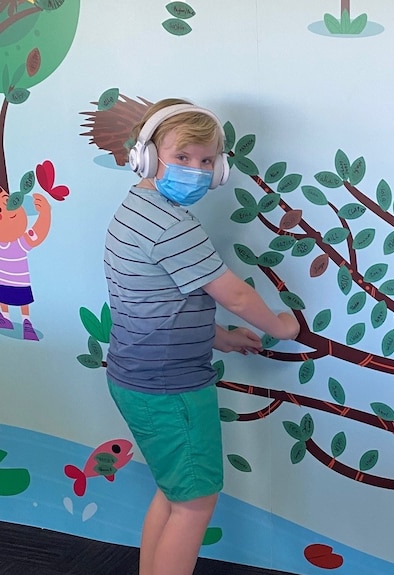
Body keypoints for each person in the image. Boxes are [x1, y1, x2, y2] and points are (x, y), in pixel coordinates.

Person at [103, 98, 300, 575]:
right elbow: (232, 292)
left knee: (174, 494)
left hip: (137, 377)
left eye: (207, 160)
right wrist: (280, 325)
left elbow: (155, 303)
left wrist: (219, 338)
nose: (197, 169)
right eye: (183, 157)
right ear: (147, 157)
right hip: (170, 387)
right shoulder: (172, 225)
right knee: (195, 504)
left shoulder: (137, 209)